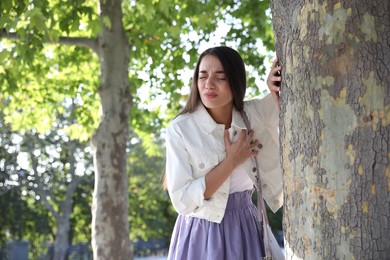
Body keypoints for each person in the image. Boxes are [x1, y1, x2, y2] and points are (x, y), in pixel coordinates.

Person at [165, 46, 282, 260]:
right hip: (202, 233)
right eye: (202, 76)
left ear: (235, 82)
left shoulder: (253, 116)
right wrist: (232, 161)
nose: (208, 84)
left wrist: (272, 83)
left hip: (245, 226)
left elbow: (282, 102)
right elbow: (182, 202)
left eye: (220, 77)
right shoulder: (181, 129)